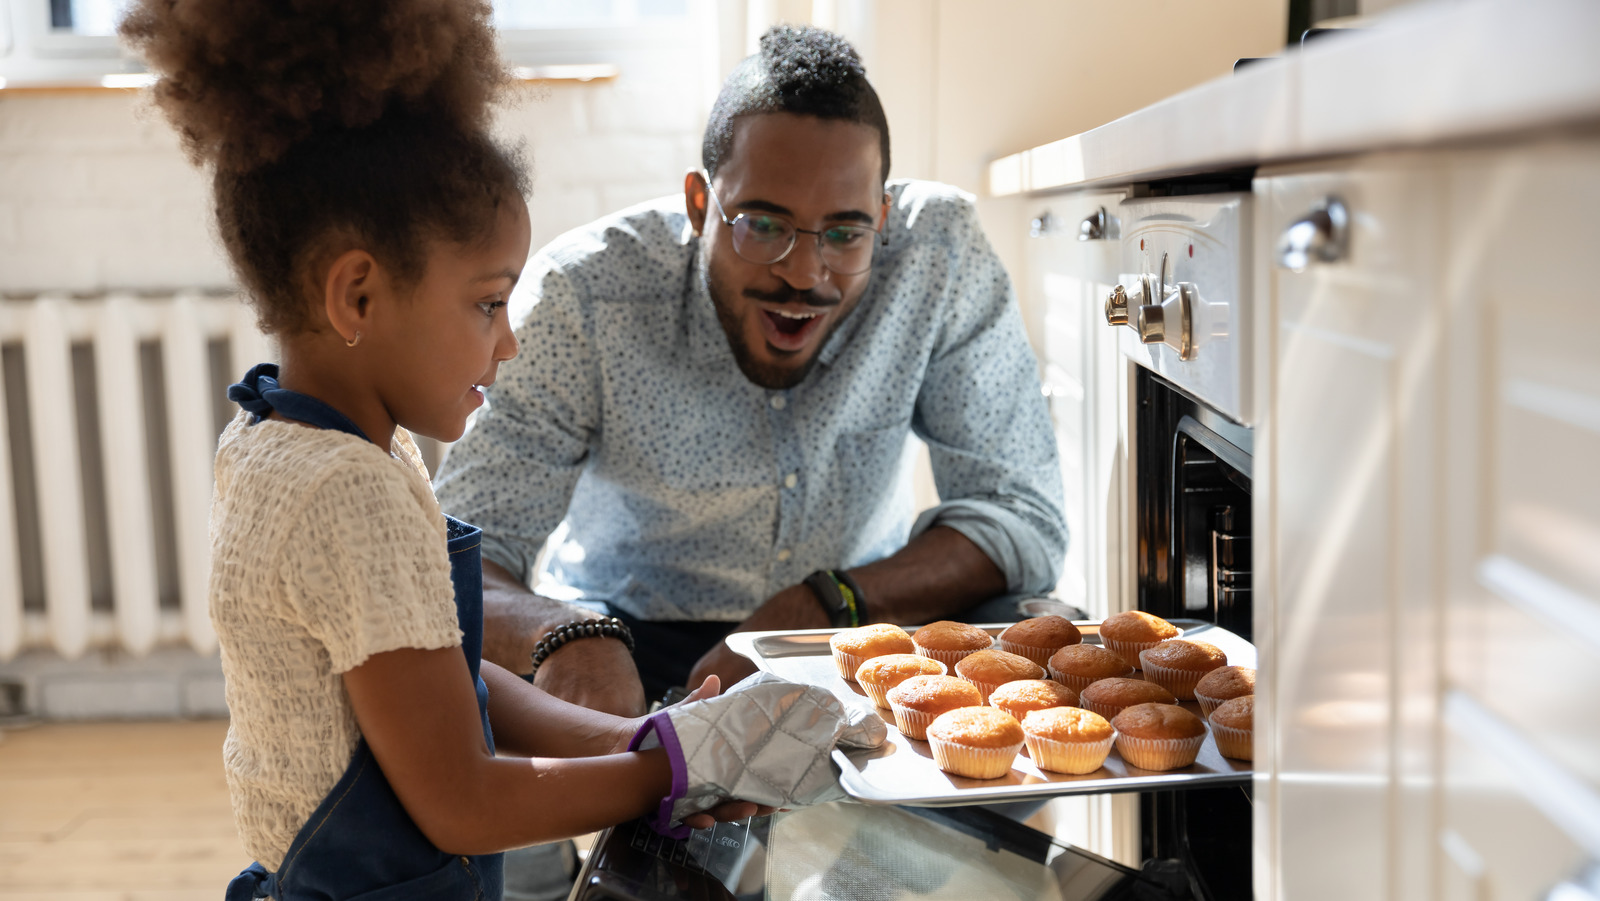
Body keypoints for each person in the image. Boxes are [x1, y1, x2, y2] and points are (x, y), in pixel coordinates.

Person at [118, 4, 881, 899]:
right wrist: (680, 768)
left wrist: (638, 741)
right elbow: (463, 802)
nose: (509, 342)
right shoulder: (346, 491)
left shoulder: (288, 437)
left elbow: (432, 668)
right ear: (358, 294)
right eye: (488, 303)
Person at [435, 24, 1067, 716]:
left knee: (1041, 644)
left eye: (845, 233)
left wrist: (823, 601)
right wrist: (564, 633)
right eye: (763, 225)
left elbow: (1021, 514)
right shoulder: (582, 294)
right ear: (700, 203)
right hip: (624, 632)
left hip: (855, 619)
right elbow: (456, 550)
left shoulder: (939, 254)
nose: (804, 272)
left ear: (882, 219)